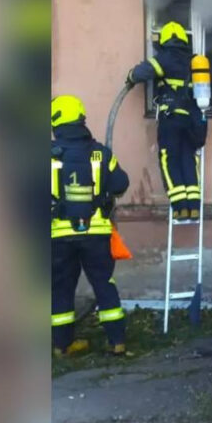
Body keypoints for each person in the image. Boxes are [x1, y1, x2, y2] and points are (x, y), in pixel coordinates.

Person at [50, 95, 130, 356]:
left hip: (58, 236)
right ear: (81, 118)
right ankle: (117, 341)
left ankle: (62, 345)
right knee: (104, 283)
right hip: (96, 233)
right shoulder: (100, 153)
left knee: (60, 289)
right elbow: (120, 185)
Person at [125, 21, 208, 221]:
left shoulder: (164, 58)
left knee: (169, 159)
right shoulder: (194, 61)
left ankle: (180, 208)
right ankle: (194, 206)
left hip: (171, 119)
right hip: (193, 121)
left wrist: (129, 77)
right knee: (188, 159)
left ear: (164, 40)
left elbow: (138, 74)